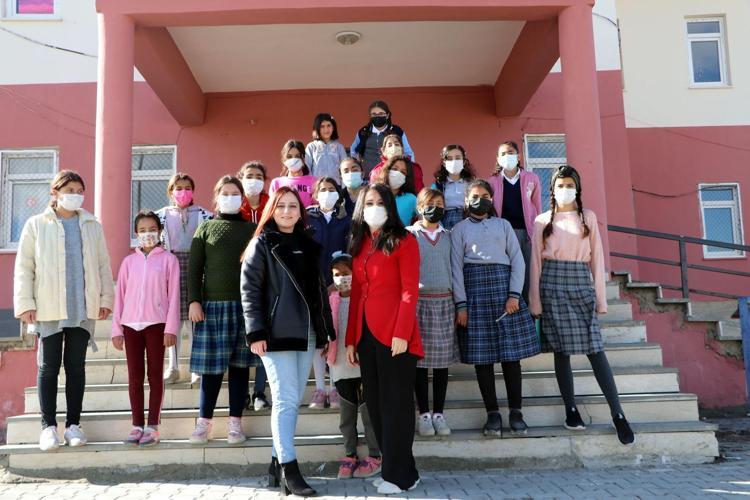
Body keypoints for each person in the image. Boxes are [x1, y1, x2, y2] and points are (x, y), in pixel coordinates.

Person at [529, 165, 634, 446]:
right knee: (561, 351)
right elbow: (536, 262)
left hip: (580, 283)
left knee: (595, 350)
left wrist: (601, 298)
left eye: (569, 185)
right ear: (552, 189)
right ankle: (571, 411)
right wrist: (534, 301)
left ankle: (618, 414)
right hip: (552, 285)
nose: (565, 189)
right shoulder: (542, 220)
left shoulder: (588, 217)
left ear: (577, 188)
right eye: (560, 185)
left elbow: (597, 258)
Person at [242, 187, 335, 497]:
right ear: (272, 210)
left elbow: (319, 291)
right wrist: (256, 332)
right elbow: (250, 290)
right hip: (275, 333)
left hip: (306, 333)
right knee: (284, 399)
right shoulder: (262, 243)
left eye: (292, 206)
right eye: (280, 206)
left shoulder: (309, 245)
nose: (286, 211)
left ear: (300, 211)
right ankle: (289, 469)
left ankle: (275, 462)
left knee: (292, 400)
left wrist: (325, 330)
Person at [14, 170, 114, 451]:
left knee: (76, 367)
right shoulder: (36, 224)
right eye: (69, 190)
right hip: (48, 307)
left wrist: (106, 299)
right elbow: (24, 267)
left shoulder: (92, 225)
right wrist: (26, 304)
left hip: (81, 306)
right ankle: (48, 427)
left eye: (80, 191)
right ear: (55, 192)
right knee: (48, 367)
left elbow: (103, 265)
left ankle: (73, 426)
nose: (75, 195)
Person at [345, 183, 423, 495]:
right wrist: (351, 339)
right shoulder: (360, 242)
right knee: (376, 405)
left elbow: (409, 290)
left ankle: (399, 476)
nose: (374, 207)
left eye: (380, 202)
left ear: (390, 206)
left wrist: (402, 333)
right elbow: (357, 293)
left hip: (395, 335)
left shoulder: (405, 240)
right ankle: (401, 469)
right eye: (369, 203)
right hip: (366, 335)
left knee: (396, 406)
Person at [451, 180, 540, 437]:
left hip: (504, 292)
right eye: (475, 195)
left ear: (491, 199)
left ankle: (516, 412)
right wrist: (461, 305)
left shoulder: (503, 225)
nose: (480, 199)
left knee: (511, 358)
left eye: (485, 195)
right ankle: (492, 414)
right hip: (475, 294)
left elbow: (518, 261)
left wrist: (514, 295)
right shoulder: (459, 229)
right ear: (466, 200)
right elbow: (456, 268)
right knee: (483, 359)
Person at [187, 176, 259, 445]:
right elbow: (195, 269)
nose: (230, 197)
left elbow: (258, 269)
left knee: (240, 369)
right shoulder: (205, 228)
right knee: (211, 370)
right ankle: (203, 423)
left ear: (242, 198)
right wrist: (194, 300)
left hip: (244, 308)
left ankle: (235, 424)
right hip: (212, 309)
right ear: (216, 198)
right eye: (225, 193)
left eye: (234, 193)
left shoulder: (252, 229)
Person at [111, 211, 180, 447]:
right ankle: (137, 425)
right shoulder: (128, 263)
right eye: (142, 230)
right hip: (130, 325)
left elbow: (174, 296)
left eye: (152, 229)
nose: (147, 234)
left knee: (155, 375)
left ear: (159, 231)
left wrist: (171, 328)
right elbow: (120, 297)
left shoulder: (169, 260)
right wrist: (116, 329)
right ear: (136, 233)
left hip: (157, 325)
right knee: (135, 376)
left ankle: (153, 426)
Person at [407, 189, 460, 437]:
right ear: (419, 207)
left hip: (444, 303)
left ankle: (439, 413)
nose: (435, 207)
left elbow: (456, 270)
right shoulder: (409, 235)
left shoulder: (449, 236)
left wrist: (460, 304)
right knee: (419, 363)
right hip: (419, 304)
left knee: (441, 363)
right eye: (429, 203)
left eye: (439, 203)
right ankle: (424, 415)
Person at [325, 253, 382, 479]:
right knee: (347, 416)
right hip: (340, 365)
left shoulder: (364, 298)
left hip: (363, 365)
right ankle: (350, 454)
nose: (342, 278)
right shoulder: (331, 300)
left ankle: (375, 455)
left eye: (346, 273)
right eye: (337, 275)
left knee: (368, 413)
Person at [156, 173, 212, 385]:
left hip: (197, 268)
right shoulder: (160, 216)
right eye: (178, 188)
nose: (183, 192)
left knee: (195, 320)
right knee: (174, 320)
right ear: (170, 191)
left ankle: (197, 367)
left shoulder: (206, 215)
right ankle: (173, 367)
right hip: (170, 269)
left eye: (187, 187)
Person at [306, 177, 352, 410]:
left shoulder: (345, 220)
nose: (327, 193)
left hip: (336, 288)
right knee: (317, 340)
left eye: (332, 189)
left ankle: (334, 387)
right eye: (323, 190)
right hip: (312, 287)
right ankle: (320, 388)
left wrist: (337, 282)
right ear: (315, 194)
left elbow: (349, 251)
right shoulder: (307, 218)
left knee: (334, 336)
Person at [487, 141, 542, 303]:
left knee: (528, 274)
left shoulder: (531, 178)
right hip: (503, 235)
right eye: (503, 154)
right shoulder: (492, 182)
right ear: (498, 159)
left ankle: (529, 310)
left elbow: (537, 206)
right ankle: (510, 307)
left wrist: (537, 231)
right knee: (507, 271)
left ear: (518, 156)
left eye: (510, 152)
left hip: (527, 234)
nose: (507, 156)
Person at [237, 161, 271, 411]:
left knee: (263, 333)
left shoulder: (271, 204)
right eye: (249, 176)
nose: (254, 180)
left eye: (259, 176)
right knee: (244, 336)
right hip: (241, 276)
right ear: (241, 178)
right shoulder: (234, 205)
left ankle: (259, 391)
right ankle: (242, 393)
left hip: (267, 275)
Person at [350, 100, 415, 176]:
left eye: (381, 113)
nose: (377, 116)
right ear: (370, 116)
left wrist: (410, 171)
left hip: (391, 177)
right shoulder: (363, 132)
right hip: (367, 177)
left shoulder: (397, 131)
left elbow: (408, 152)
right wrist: (357, 167)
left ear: (387, 115)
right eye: (374, 114)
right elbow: (353, 150)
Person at [432, 144, 476, 230]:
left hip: (468, 220)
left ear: (464, 161)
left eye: (458, 158)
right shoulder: (438, 185)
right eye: (450, 158)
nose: (454, 161)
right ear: (444, 162)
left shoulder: (471, 184)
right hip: (446, 222)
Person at [269, 139, 317, 208]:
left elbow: (317, 208)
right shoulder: (276, 183)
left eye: (297, 156)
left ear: (303, 159)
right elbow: (272, 208)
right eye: (289, 156)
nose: (293, 159)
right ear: (284, 160)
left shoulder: (314, 182)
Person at [374, 155, 418, 227]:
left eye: (403, 172)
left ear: (407, 178)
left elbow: (426, 218)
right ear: (387, 170)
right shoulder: (374, 194)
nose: (398, 173)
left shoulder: (411, 199)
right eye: (394, 169)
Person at [305, 113, 348, 182]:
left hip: (336, 185)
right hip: (317, 186)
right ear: (317, 128)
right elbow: (307, 169)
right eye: (322, 126)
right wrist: (311, 184)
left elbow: (345, 167)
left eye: (329, 125)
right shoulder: (311, 147)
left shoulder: (339, 147)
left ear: (333, 127)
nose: (326, 129)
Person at [238, 160, 270, 225]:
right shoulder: (236, 204)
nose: (254, 180)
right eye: (249, 177)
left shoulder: (270, 203)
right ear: (241, 180)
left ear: (264, 181)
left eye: (259, 178)